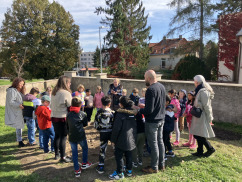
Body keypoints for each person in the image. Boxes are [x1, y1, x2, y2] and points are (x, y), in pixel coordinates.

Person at [139, 70, 166, 173]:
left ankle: (154, 167)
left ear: (149, 78)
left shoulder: (150, 90)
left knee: (153, 143)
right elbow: (160, 103)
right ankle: (161, 164)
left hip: (153, 121)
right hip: (161, 119)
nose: (144, 79)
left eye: (145, 77)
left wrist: (139, 109)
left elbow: (148, 111)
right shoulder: (162, 87)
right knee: (160, 142)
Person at [109, 96, 137, 180]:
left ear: (121, 105)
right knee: (129, 154)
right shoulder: (133, 113)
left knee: (119, 156)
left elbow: (116, 128)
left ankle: (120, 173)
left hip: (121, 139)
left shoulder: (120, 114)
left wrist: (113, 140)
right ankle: (129, 170)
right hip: (131, 137)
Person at [190, 75, 215, 157]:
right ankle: (200, 151)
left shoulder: (203, 91)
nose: (194, 83)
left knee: (198, 135)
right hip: (198, 115)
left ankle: (210, 148)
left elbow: (207, 106)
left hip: (202, 115)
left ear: (197, 82)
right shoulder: (199, 90)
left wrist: (210, 118)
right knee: (198, 133)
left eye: (194, 81)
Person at [67, 97, 92, 177]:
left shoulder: (68, 114)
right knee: (84, 148)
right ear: (80, 105)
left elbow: (67, 125)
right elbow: (85, 124)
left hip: (71, 136)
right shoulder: (82, 114)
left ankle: (77, 170)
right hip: (80, 135)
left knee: (74, 153)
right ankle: (84, 163)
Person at [51, 76, 72, 162]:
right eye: (69, 82)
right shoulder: (66, 93)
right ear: (65, 83)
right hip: (63, 117)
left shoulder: (54, 92)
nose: (70, 84)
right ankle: (63, 157)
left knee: (57, 135)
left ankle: (56, 154)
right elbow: (70, 105)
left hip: (54, 116)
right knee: (63, 137)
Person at [94, 96, 115, 174]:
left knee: (102, 149)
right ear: (110, 104)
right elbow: (115, 124)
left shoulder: (99, 112)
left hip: (103, 133)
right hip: (112, 133)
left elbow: (96, 124)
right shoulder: (113, 113)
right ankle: (121, 165)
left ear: (101, 103)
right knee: (115, 148)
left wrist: (100, 129)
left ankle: (101, 166)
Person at [5, 77, 26, 147]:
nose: (22, 85)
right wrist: (19, 105)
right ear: (17, 82)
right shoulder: (11, 90)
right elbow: (11, 101)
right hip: (16, 110)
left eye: (23, 84)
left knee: (20, 126)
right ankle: (20, 141)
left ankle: (20, 140)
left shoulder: (18, 90)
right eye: (21, 84)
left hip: (20, 110)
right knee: (18, 126)